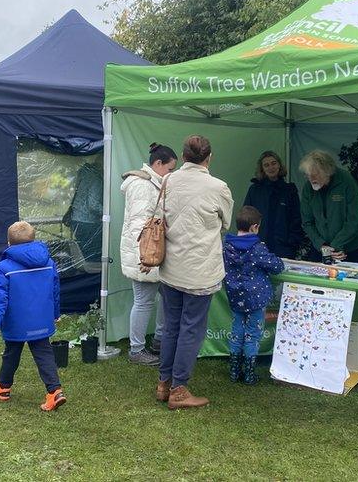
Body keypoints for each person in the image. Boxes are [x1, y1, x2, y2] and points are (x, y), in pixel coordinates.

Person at [155, 135, 233, 409]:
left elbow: (162, 216)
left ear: (184, 156)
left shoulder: (168, 180)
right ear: (209, 157)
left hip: (171, 266)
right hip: (200, 269)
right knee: (191, 329)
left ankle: (164, 383)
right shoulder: (218, 187)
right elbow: (225, 223)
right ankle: (178, 389)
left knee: (172, 325)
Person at [0, 221, 66, 412]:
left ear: (9, 243)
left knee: (11, 353)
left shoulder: (3, 267)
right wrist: (55, 314)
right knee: (44, 353)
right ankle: (55, 391)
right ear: (33, 239)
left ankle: (3, 387)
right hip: (42, 320)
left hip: (16, 322)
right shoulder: (49, 262)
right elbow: (55, 291)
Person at [120, 142, 177, 366]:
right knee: (144, 300)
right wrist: (144, 257)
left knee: (165, 296)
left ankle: (159, 341)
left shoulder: (152, 183)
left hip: (153, 252)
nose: (171, 174)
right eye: (170, 169)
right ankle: (136, 349)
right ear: (158, 164)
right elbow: (138, 225)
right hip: (146, 253)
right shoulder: (142, 185)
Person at [223, 206, 285, 385]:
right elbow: (276, 266)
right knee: (253, 334)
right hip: (256, 298)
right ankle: (249, 373)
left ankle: (234, 371)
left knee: (237, 331)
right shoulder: (257, 248)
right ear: (254, 227)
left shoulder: (227, 246)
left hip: (236, 296)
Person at [298, 150, 358, 263]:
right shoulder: (308, 188)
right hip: (320, 248)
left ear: (327, 171)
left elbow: (354, 220)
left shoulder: (346, 182)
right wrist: (321, 244)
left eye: (314, 174)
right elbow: (307, 222)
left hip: (349, 249)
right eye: (307, 175)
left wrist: (335, 246)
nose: (311, 179)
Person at [243, 150, 304, 259]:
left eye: (273, 163)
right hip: (258, 246)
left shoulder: (289, 190)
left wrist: (292, 242)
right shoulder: (255, 190)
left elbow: (296, 218)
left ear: (279, 165)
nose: (271, 167)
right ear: (262, 169)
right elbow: (246, 216)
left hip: (284, 247)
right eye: (266, 165)